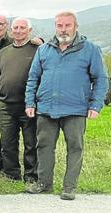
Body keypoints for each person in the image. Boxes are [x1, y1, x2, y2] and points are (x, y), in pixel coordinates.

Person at [24, 11, 108, 200]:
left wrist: (95, 105)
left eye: (67, 25)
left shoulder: (90, 49)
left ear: (75, 27)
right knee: (44, 146)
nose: (63, 29)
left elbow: (101, 79)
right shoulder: (44, 49)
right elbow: (32, 78)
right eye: (60, 25)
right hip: (46, 108)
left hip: (75, 109)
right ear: (55, 27)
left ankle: (69, 187)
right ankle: (44, 184)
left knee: (75, 147)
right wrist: (30, 102)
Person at [0, 17, 39, 183]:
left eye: (22, 28)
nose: (18, 31)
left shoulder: (37, 50)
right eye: (15, 28)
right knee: (8, 142)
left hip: (28, 105)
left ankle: (31, 175)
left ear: (29, 31)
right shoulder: (4, 52)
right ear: (11, 30)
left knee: (31, 142)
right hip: (4, 105)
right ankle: (11, 174)